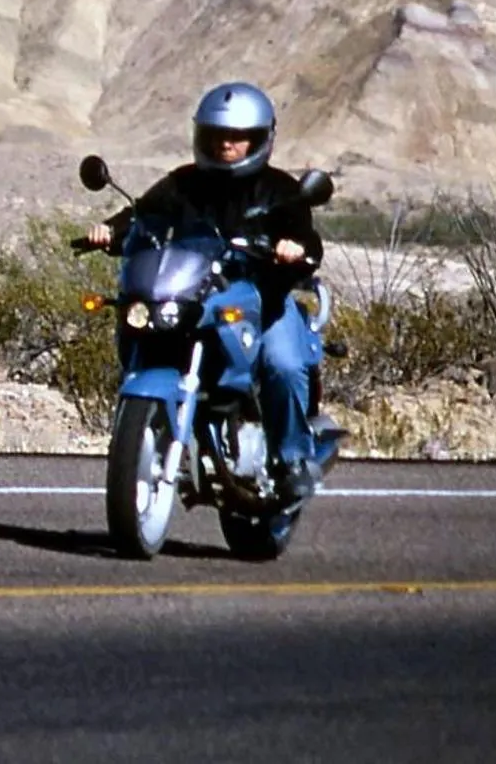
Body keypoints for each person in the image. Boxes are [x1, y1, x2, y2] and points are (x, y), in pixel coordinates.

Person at [85, 81, 329, 505]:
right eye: (216, 135)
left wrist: (294, 248)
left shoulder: (280, 190)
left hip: (262, 299)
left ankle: (292, 461)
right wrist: (111, 230)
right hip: (198, 296)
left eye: (237, 137)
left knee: (284, 365)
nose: (225, 144)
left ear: (260, 139)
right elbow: (143, 215)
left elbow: (306, 238)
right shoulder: (183, 183)